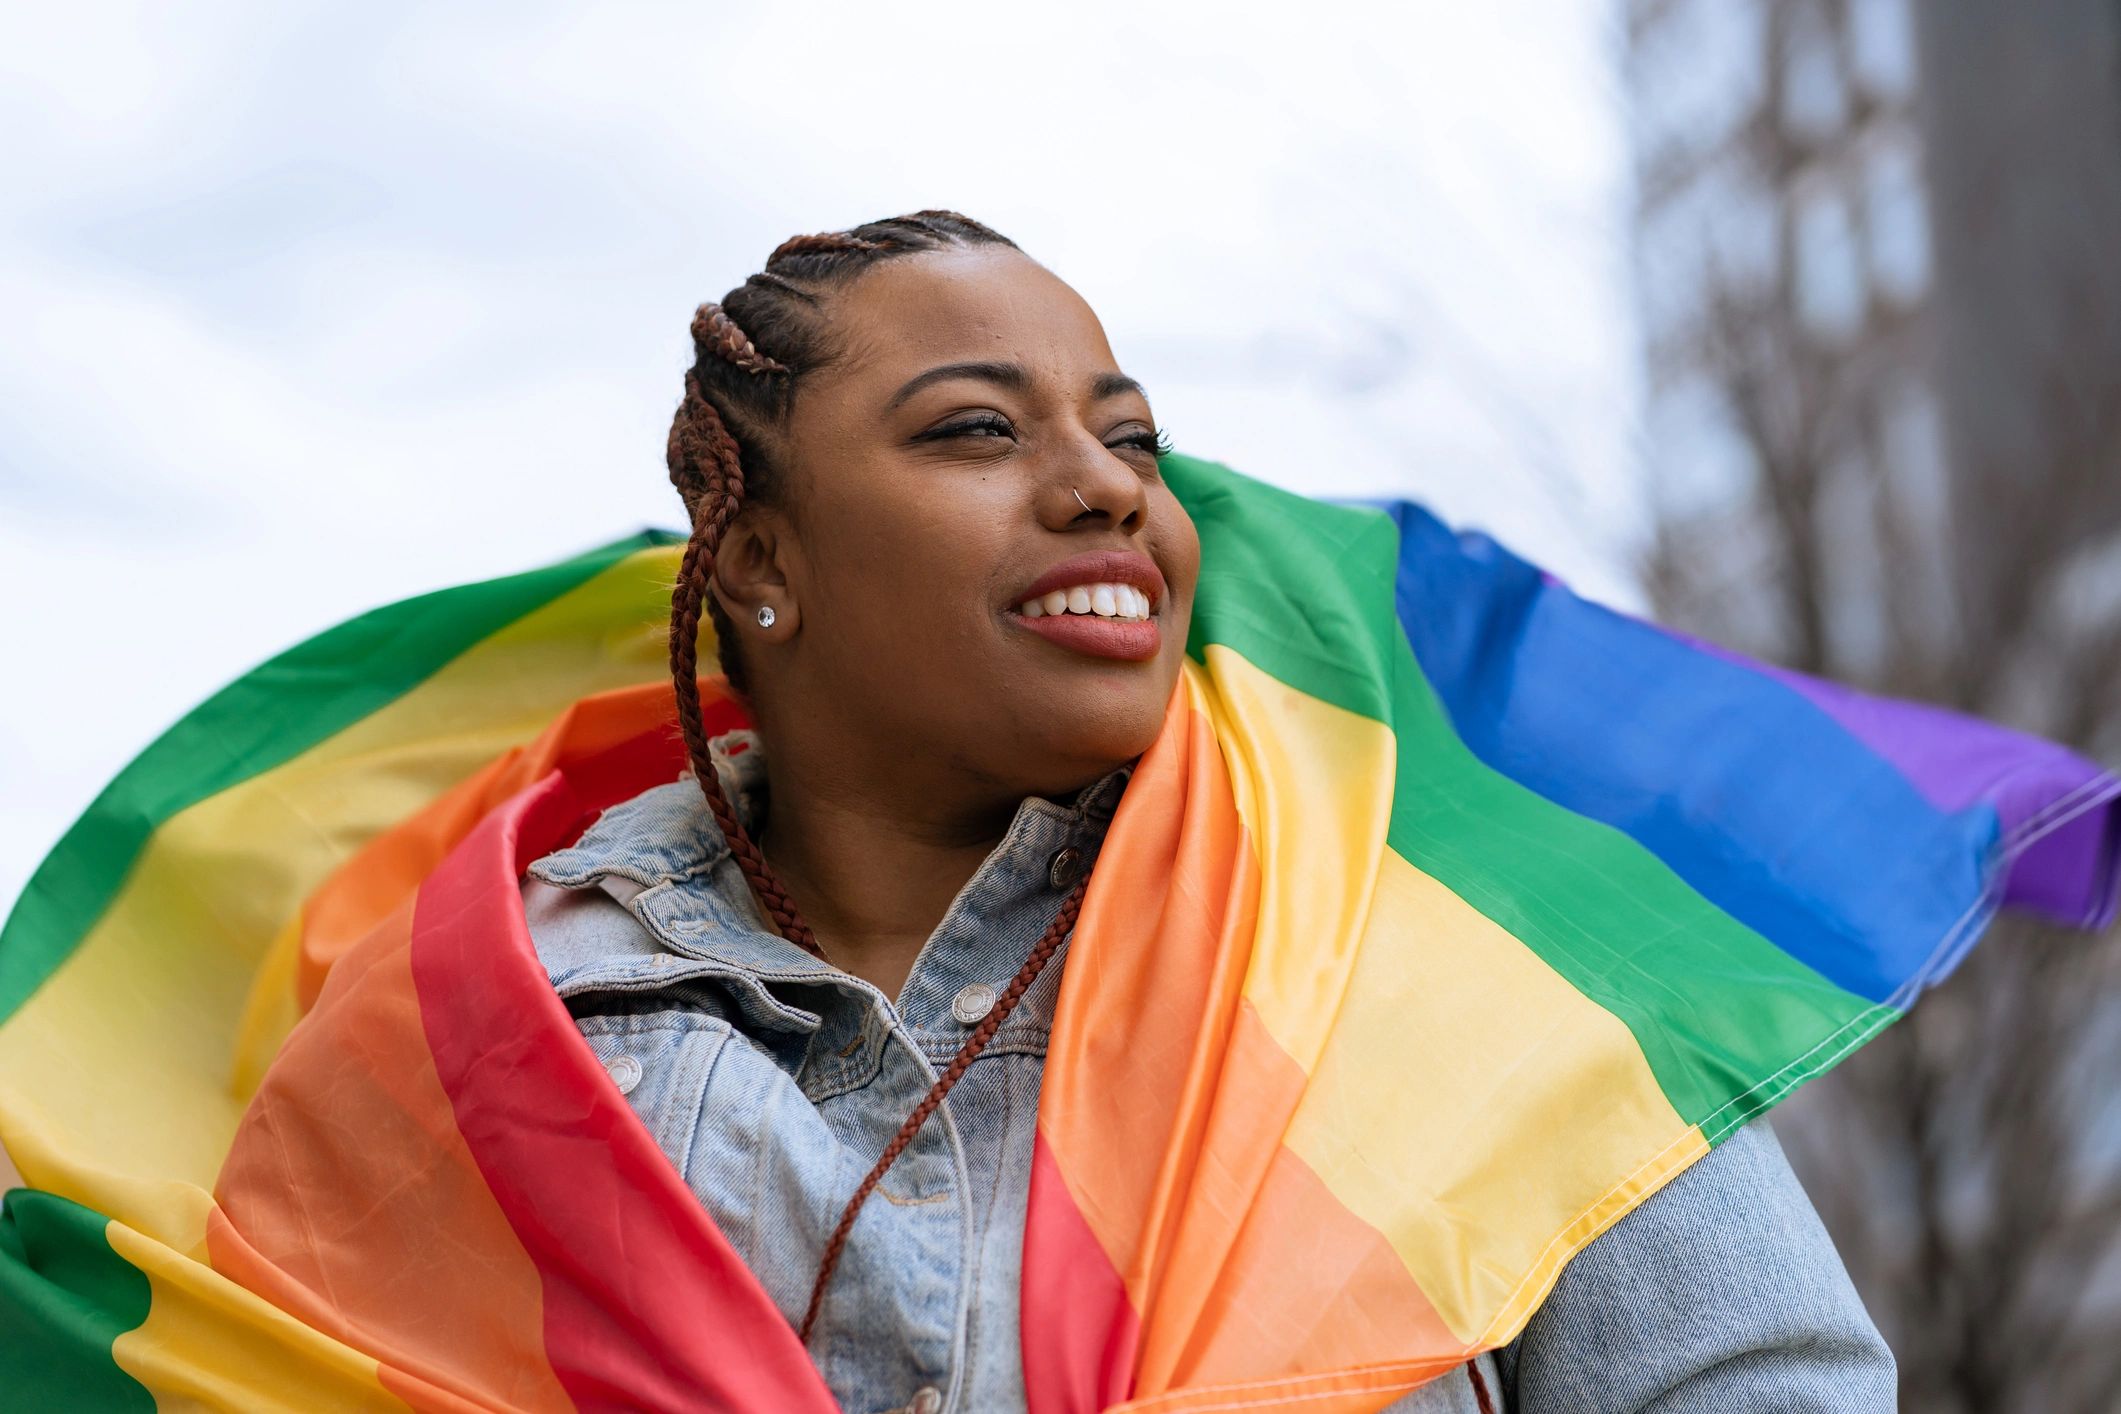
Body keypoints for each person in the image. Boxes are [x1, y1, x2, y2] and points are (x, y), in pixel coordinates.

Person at [518, 211, 1898, 1413]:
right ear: (761, 559)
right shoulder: (522, 1006)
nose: (1110, 484)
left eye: (1132, 438)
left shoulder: (1449, 947)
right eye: (977, 428)